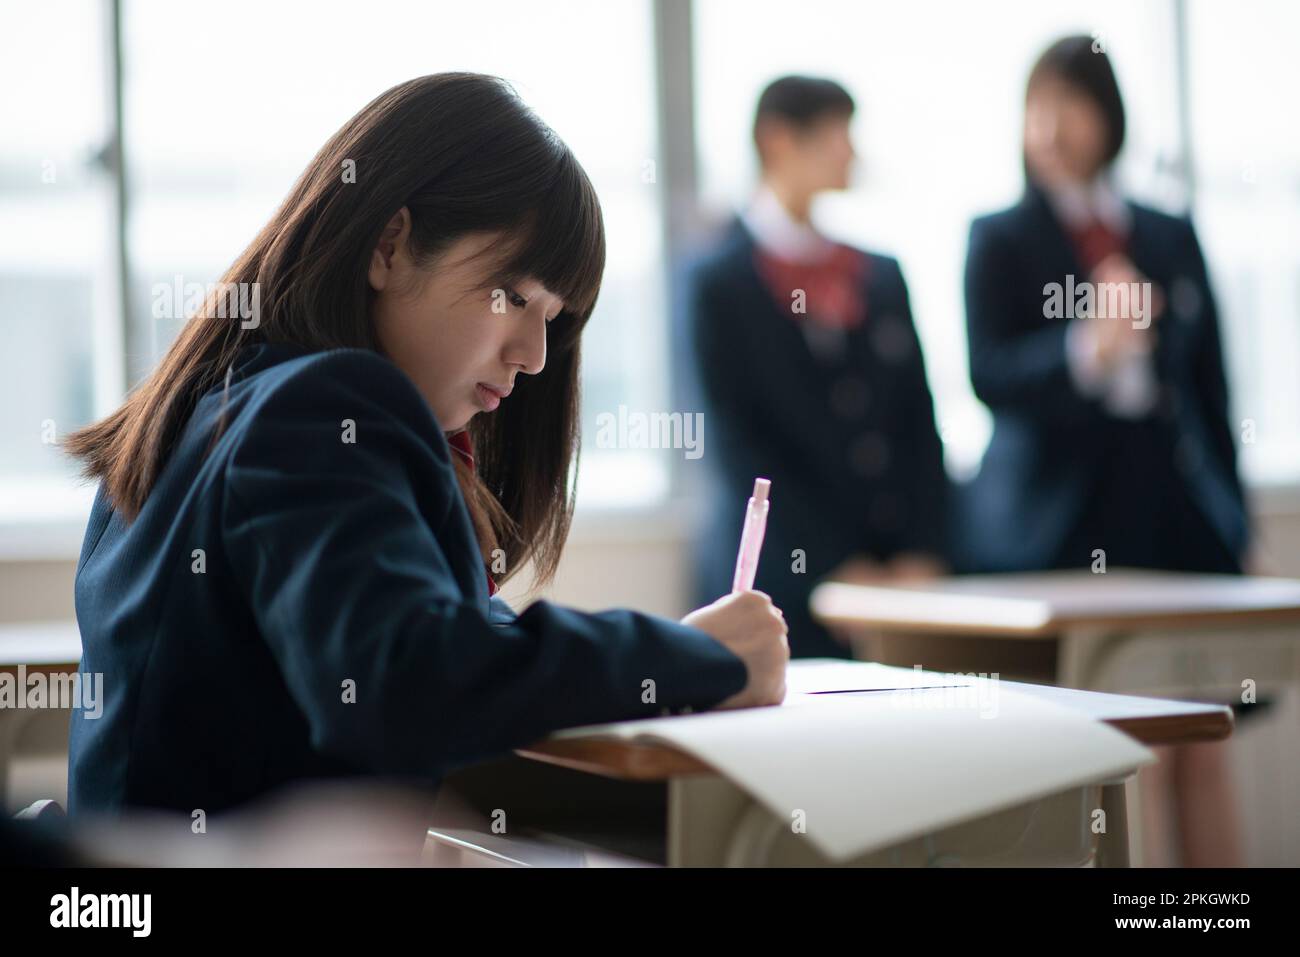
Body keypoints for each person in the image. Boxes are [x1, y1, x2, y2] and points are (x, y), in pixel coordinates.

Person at [62, 73, 788, 817]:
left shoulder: (200, 411)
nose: (536, 355)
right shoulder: (322, 407)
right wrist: (697, 657)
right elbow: (406, 676)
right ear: (390, 245)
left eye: (553, 316)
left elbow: (409, 631)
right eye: (512, 294)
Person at [962, 37, 1250, 866]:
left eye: (1069, 104)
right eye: (1035, 106)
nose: (1049, 127)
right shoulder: (1000, 237)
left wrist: (1231, 515)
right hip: (1058, 528)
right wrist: (1083, 348)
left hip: (1171, 520)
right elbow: (989, 375)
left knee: (1202, 739)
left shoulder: (1166, 231)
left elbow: (1210, 389)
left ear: (1109, 115)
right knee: (1112, 754)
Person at [685, 75, 948, 661]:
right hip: (774, 586)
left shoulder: (879, 273)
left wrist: (923, 553)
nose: (851, 152)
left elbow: (918, 421)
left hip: (897, 583)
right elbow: (732, 442)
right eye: (836, 134)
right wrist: (835, 567)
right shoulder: (715, 282)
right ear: (778, 141)